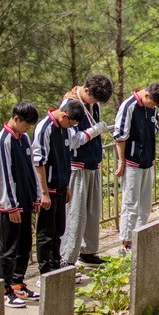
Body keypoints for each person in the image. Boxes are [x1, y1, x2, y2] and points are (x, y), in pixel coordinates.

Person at [60, 73, 113, 268]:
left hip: (92, 165)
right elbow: (71, 141)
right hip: (78, 166)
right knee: (75, 214)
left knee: (91, 213)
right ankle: (67, 257)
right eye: (94, 98)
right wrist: (94, 131)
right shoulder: (70, 104)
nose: (96, 102)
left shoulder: (93, 104)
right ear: (86, 90)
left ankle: (88, 251)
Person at [0, 101, 41, 308]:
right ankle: (4, 288)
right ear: (16, 119)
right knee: (8, 247)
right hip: (11, 205)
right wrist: (10, 206)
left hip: (26, 199)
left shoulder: (24, 138)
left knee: (24, 245)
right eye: (26, 124)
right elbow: (2, 175)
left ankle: (18, 282)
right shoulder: (4, 140)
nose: (27, 128)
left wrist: (36, 195)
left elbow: (31, 168)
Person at [114, 82, 159, 254]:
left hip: (148, 161)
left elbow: (154, 130)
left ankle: (140, 238)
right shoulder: (129, 106)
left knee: (145, 204)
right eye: (152, 103)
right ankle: (125, 242)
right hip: (132, 163)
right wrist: (121, 161)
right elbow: (120, 136)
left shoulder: (151, 109)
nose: (153, 107)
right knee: (130, 203)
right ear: (146, 96)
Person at [32, 99, 85, 276]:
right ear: (64, 115)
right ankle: (45, 269)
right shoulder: (45, 128)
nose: (71, 127)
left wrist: (67, 186)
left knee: (59, 230)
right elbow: (39, 162)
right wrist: (44, 192)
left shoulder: (65, 130)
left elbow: (66, 158)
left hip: (62, 187)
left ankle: (56, 263)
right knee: (46, 232)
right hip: (50, 190)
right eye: (70, 123)